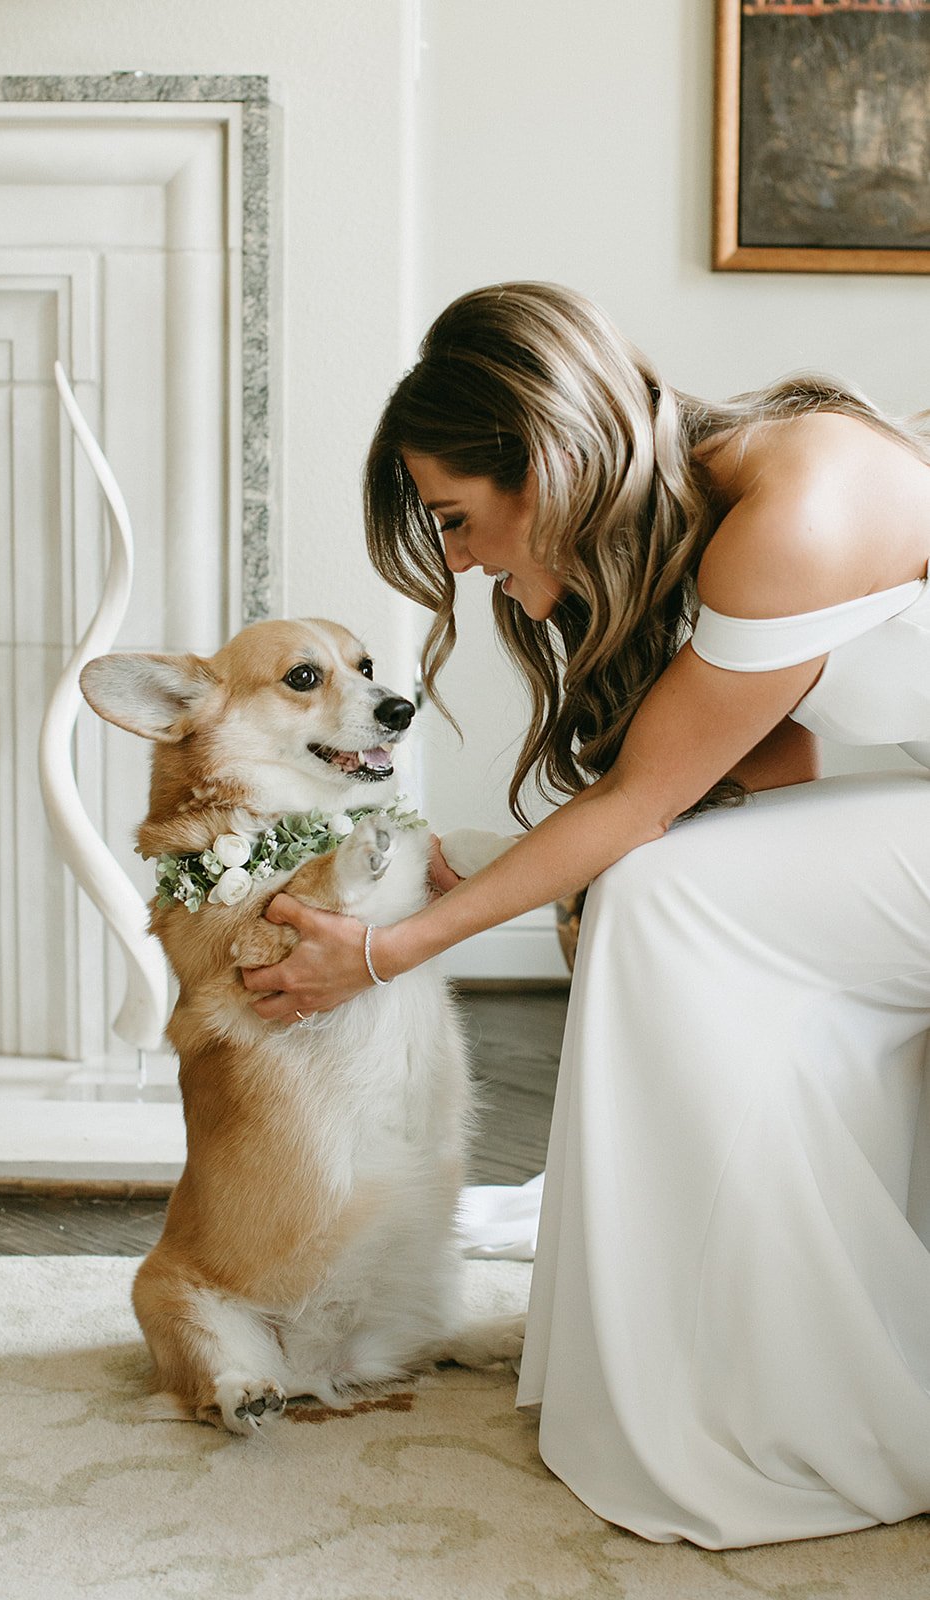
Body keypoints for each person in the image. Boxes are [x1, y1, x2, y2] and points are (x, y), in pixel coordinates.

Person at [241, 282, 930, 1548]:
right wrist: (500, 859)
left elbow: (645, 801)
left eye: (453, 519)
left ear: (546, 461)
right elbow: (762, 762)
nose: (453, 560)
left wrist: (380, 955)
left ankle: (784, 1387)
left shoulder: (790, 505)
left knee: (666, 894)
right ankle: (718, 1342)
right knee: (654, 878)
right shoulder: (735, 492)